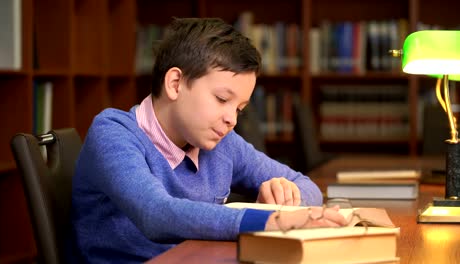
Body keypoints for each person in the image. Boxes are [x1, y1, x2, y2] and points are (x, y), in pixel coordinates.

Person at [70, 17, 347, 263]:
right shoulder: (113, 132)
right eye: (222, 99)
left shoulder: (222, 144)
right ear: (175, 83)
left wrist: (287, 196)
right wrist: (274, 220)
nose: (232, 119)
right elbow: (156, 214)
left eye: (239, 108)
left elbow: (305, 184)